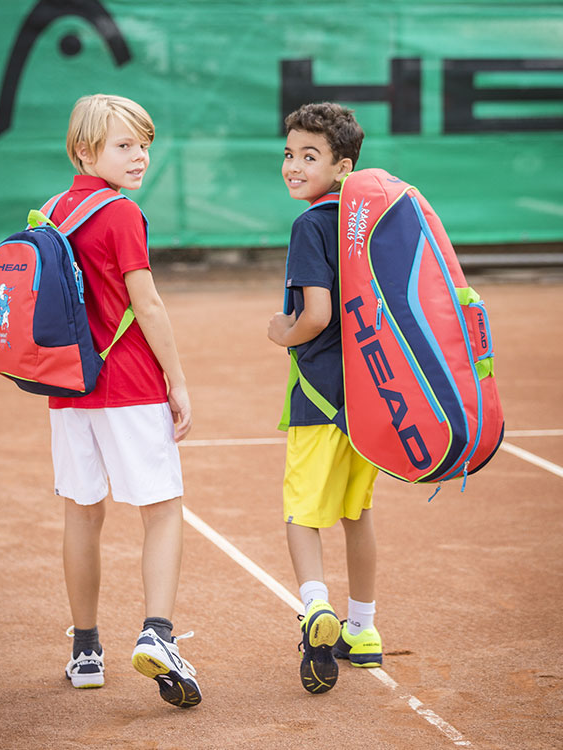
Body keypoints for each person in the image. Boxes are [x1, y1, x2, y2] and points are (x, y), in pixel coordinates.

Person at [49, 94, 200, 708]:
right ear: (87, 150)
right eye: (124, 145)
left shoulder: (53, 210)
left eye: (143, 144)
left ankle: (86, 650)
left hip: (67, 390)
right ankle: (158, 635)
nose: (139, 156)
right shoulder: (121, 215)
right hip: (131, 385)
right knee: (162, 510)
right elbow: (148, 304)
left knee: (83, 513)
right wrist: (178, 380)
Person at [267, 102, 382, 695]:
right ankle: (361, 630)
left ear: (342, 167)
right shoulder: (367, 221)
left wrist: (280, 332)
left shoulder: (310, 225)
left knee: (301, 513)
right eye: (289, 154)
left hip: (319, 396)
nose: (293, 165)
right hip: (373, 396)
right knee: (356, 513)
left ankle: (315, 609)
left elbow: (314, 315)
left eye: (309, 156)